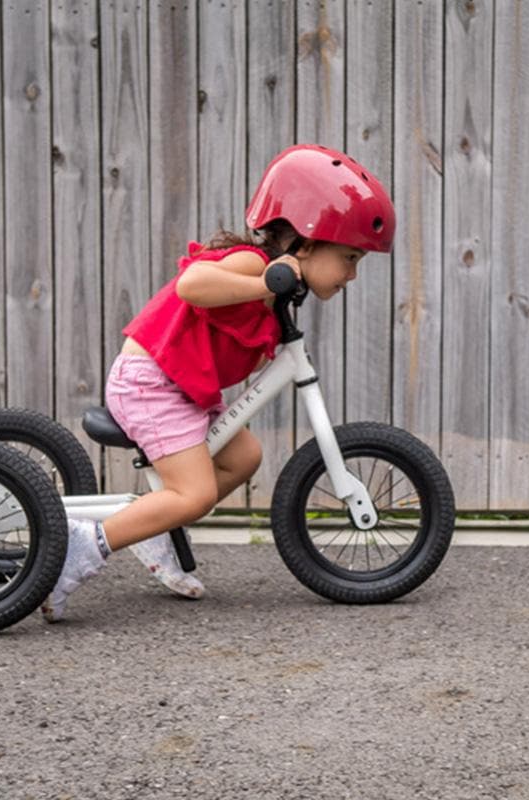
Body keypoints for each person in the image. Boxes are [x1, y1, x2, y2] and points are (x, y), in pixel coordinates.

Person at [41, 143, 396, 622]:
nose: (352, 274)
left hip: (183, 391)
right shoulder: (253, 264)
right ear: (307, 241)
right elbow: (193, 286)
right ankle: (82, 548)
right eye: (350, 257)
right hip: (151, 383)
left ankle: (154, 528)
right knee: (194, 494)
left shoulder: (282, 287)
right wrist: (263, 285)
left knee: (244, 456)